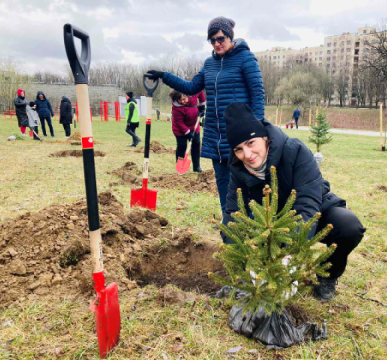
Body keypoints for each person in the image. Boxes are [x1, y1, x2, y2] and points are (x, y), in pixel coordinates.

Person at [222, 102, 366, 300]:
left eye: (250, 143)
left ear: (264, 137)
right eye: (238, 149)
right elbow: (232, 213)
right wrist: (242, 259)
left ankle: (328, 278)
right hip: (267, 223)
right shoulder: (239, 169)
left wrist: (287, 250)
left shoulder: (295, 151)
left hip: (313, 212)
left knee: (348, 226)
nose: (247, 155)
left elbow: (308, 202)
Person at [145, 16, 265, 217]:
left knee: (247, 188)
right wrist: (164, 75)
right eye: (212, 40)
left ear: (230, 36)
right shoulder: (209, 64)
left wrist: (258, 130)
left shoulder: (246, 59)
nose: (217, 44)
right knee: (224, 189)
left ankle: (252, 232)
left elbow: (257, 93)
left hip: (241, 137)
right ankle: (230, 231)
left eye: (221, 39)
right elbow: (191, 87)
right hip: (216, 138)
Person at [169, 89, 205, 173]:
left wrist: (202, 106)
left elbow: (200, 92)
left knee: (196, 145)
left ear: (187, 95)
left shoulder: (193, 94)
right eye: (180, 100)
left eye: (184, 99)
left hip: (194, 126)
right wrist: (187, 133)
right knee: (182, 146)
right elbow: (179, 122)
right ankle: (180, 166)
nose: (182, 101)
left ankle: (196, 167)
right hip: (179, 129)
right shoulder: (176, 107)